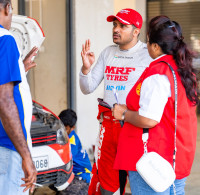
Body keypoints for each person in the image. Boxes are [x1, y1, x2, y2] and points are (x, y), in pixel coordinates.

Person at [113, 15, 199, 195]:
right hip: (174, 157)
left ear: (155, 46)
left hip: (153, 160)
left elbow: (149, 119)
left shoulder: (159, 73)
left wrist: (123, 113)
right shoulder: (182, 70)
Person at [80, 8, 152, 194]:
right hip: (109, 126)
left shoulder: (148, 55)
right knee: (108, 183)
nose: (116, 29)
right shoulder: (108, 53)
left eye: (122, 26)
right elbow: (87, 88)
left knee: (139, 179)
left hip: (134, 126)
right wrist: (85, 69)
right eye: (114, 25)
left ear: (136, 31)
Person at [0, 0, 38, 194]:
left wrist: (18, 70)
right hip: (6, 146)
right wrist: (26, 156)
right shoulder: (5, 39)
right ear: (8, 8)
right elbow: (4, 101)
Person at [58, 109, 92, 195]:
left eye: (65, 128)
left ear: (73, 128)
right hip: (72, 174)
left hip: (82, 176)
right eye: (60, 127)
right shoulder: (62, 135)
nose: (62, 130)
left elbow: (63, 160)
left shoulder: (72, 142)